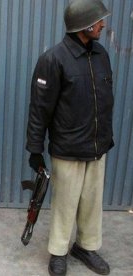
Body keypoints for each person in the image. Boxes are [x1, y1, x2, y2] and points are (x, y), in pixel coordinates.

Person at [25, 0, 113, 275]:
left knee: (91, 202)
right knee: (65, 204)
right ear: (84, 26)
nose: (102, 24)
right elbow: (40, 109)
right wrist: (35, 149)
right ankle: (59, 251)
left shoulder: (101, 55)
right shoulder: (53, 59)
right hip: (68, 148)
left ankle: (85, 246)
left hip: (97, 145)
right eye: (98, 20)